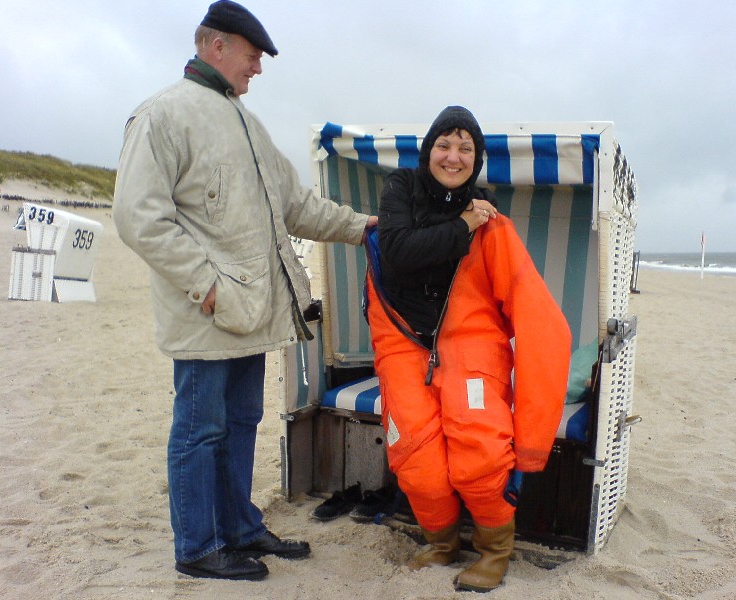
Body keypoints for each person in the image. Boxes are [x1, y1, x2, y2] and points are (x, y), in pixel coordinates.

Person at [113, 0, 376, 582]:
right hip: (206, 314)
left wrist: (364, 227)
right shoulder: (161, 115)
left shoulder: (247, 124)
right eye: (253, 56)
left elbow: (296, 205)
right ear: (217, 46)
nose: (258, 67)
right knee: (199, 431)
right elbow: (137, 217)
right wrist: (205, 285)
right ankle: (197, 546)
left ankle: (239, 527)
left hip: (252, 312)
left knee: (239, 424)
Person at [365, 106, 571, 592]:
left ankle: (495, 550)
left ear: (476, 160)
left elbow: (542, 323)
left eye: (465, 148)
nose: (453, 156)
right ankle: (441, 544)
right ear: (428, 150)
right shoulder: (401, 190)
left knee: (480, 453)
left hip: (471, 345)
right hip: (404, 344)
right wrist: (462, 223)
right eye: (444, 144)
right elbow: (397, 251)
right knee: (416, 459)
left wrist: (532, 443)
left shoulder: (491, 221)